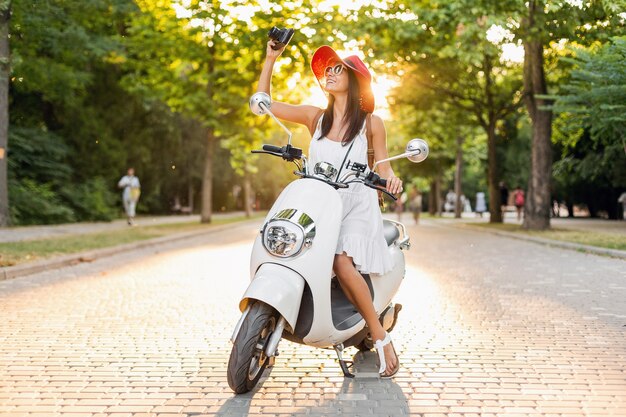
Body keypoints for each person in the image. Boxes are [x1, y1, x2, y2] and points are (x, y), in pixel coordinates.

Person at [257, 41, 402, 378]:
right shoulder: (314, 117)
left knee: (339, 259)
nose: (330, 73)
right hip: (320, 203)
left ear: (354, 79)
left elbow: (383, 165)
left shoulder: (371, 123)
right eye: (328, 70)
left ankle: (379, 335)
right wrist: (270, 59)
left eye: (338, 68)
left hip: (356, 205)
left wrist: (392, 179)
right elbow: (264, 106)